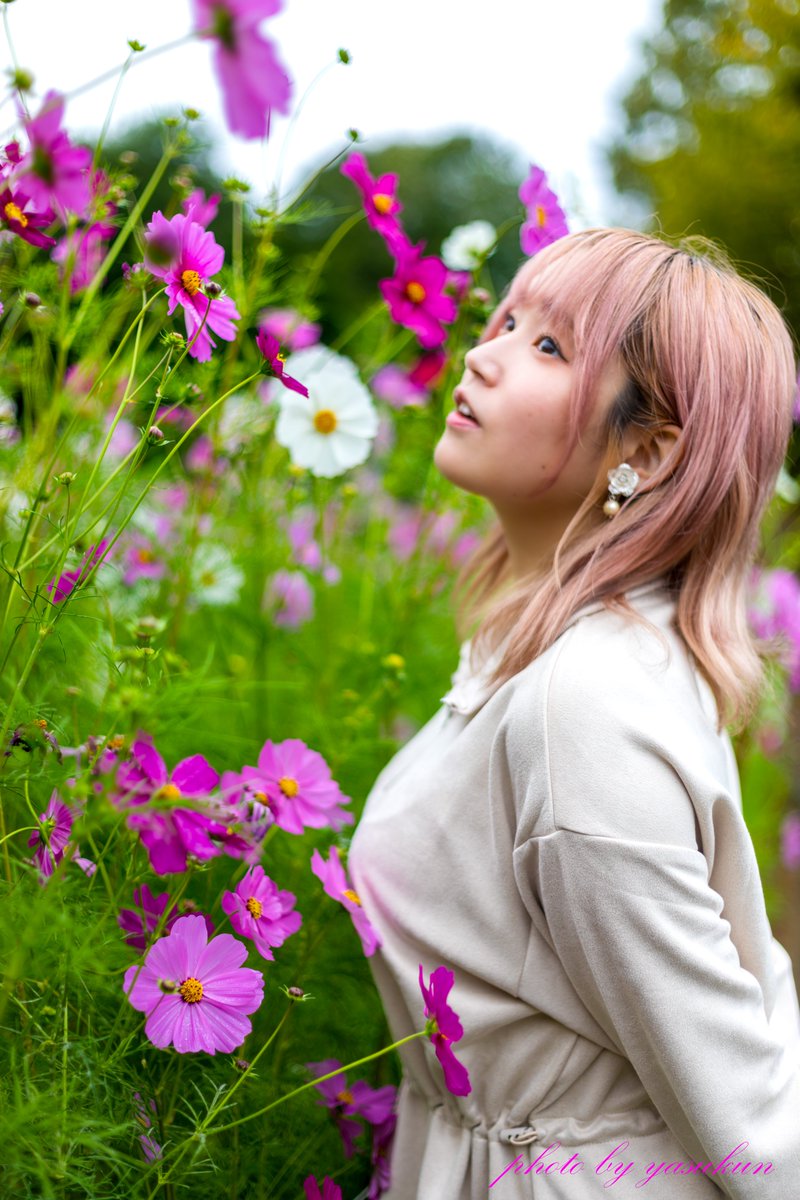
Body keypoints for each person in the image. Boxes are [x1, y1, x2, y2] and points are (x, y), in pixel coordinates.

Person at [347, 228, 800, 1199]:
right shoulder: (577, 657)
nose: (481, 351)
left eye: (549, 347)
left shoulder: (580, 704)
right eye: (506, 319)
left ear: (644, 449)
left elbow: (755, 1135)